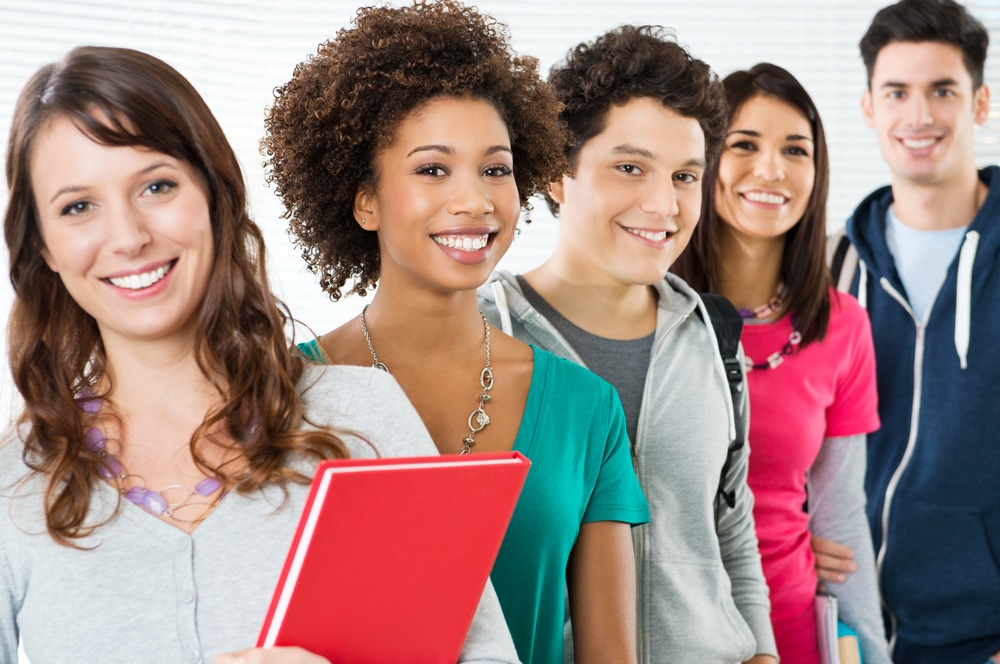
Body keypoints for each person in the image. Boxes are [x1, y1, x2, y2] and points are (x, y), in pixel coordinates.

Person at [0, 45, 519, 664]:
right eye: (78, 207)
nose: (129, 237)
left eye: (157, 186)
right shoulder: (12, 485)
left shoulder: (363, 417)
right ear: (43, 245)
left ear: (214, 198)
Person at [261, 3, 650, 663]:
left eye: (495, 169)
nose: (475, 200)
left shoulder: (585, 410)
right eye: (432, 169)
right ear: (364, 200)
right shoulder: (278, 394)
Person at [478, 26, 777, 664]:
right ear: (556, 173)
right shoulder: (481, 336)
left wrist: (763, 654)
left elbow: (730, 528)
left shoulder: (714, 337)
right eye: (630, 168)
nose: (664, 205)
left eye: (685, 176)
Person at [673, 62, 889, 664]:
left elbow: (842, 520)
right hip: (669, 626)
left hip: (792, 624)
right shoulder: (647, 309)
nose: (771, 169)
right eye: (744, 144)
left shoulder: (843, 324)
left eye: (796, 150)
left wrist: (873, 652)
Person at [821, 1, 1000, 662]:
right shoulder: (830, 265)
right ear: (869, 107)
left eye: (942, 91)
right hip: (849, 634)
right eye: (897, 92)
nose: (919, 115)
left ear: (980, 103)